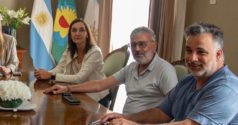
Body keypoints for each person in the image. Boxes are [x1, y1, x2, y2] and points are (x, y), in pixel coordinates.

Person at [99, 23, 238, 125]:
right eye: (189, 50)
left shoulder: (227, 89)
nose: (192, 58)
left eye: (201, 52)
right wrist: (126, 117)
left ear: (218, 55)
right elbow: (161, 113)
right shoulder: (188, 81)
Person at [44, 26, 178, 114]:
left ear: (155, 46)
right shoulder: (131, 68)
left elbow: (175, 108)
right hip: (124, 120)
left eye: (142, 44)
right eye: (133, 45)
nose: (137, 49)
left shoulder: (165, 70)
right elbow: (99, 84)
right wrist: (67, 89)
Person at [35, 18, 109, 103]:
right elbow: (60, 68)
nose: (77, 33)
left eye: (81, 30)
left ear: (87, 34)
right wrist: (46, 74)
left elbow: (79, 78)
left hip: (96, 96)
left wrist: (51, 76)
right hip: (78, 91)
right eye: (74, 30)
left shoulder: (95, 52)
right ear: (70, 35)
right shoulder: (69, 50)